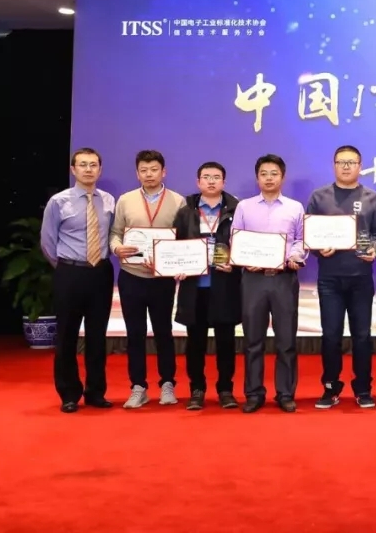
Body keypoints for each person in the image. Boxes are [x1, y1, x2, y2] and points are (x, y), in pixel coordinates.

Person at [306, 145, 376, 409]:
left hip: (361, 278)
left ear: (360, 166)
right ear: (334, 165)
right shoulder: (319, 197)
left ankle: (363, 388)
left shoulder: (372, 198)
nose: (346, 167)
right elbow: (310, 234)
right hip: (330, 279)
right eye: (341, 162)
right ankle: (330, 387)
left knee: (362, 335)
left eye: (352, 162)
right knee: (331, 335)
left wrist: (374, 248)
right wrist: (319, 249)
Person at [40, 147, 116, 413]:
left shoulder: (109, 201)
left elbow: (113, 235)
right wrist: (66, 268)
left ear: (100, 170)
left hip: (101, 273)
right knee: (67, 335)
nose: (88, 169)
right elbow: (48, 242)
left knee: (97, 336)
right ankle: (69, 393)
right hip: (70, 273)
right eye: (82, 165)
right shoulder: (58, 202)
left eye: (93, 165)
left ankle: (96, 392)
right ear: (73, 169)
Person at [109, 150, 186, 409]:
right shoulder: (125, 200)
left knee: (164, 332)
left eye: (154, 169)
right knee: (135, 333)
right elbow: (115, 233)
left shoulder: (178, 201)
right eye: (144, 170)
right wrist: (117, 248)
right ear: (137, 173)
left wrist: (175, 261)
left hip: (162, 278)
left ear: (164, 172)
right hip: (132, 276)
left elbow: (184, 238)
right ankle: (138, 386)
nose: (149, 174)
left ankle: (167, 384)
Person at [231, 154, 305, 413]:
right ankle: (254, 393)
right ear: (257, 178)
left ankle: (285, 393)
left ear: (282, 177)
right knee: (253, 340)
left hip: (284, 278)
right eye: (264, 174)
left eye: (274, 173)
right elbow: (235, 240)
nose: (269, 178)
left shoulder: (295, 207)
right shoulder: (244, 207)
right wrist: (244, 259)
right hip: (253, 279)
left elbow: (300, 240)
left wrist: (295, 257)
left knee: (286, 340)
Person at [172, 162, 242, 411]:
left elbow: (245, 243)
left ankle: (225, 389)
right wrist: (176, 265)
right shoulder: (186, 212)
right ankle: (197, 389)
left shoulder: (236, 210)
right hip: (195, 286)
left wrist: (235, 262)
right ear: (198, 181)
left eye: (216, 177)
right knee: (195, 342)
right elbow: (175, 244)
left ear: (224, 182)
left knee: (226, 341)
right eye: (206, 177)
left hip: (225, 285)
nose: (211, 181)